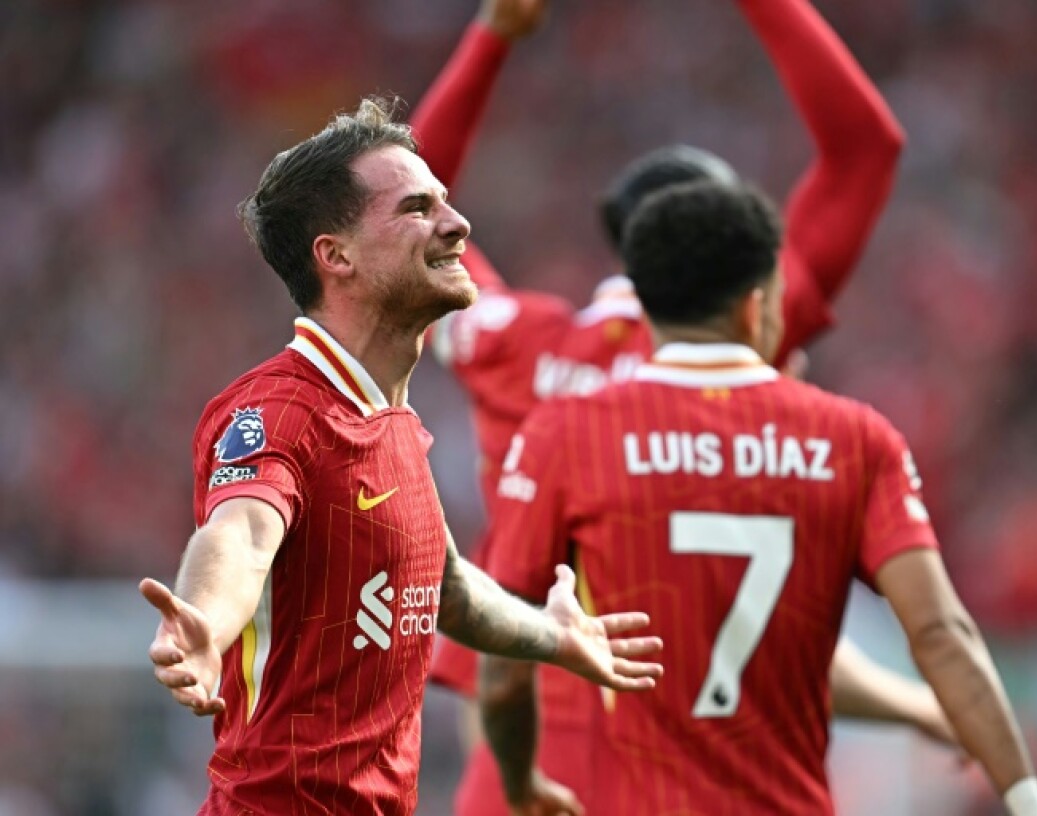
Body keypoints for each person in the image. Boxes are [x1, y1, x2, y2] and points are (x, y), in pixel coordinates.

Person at [408, 2, 953, 811]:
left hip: (524, 754)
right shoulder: (748, 334)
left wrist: (493, 36)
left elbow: (415, 205)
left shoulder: (513, 344)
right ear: (745, 273)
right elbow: (866, 151)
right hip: (696, 773)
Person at [137, 97, 664, 816]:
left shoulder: (391, 421)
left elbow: (447, 591)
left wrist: (555, 635)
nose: (458, 224)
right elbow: (241, 533)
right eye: (417, 208)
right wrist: (204, 619)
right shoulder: (278, 410)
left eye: (446, 202)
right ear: (336, 255)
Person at [481, 180, 1037, 815]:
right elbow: (941, 631)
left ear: (643, 309)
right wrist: (1029, 803)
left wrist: (518, 784)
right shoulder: (854, 438)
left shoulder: (567, 433)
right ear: (758, 307)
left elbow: (506, 663)